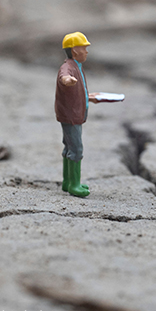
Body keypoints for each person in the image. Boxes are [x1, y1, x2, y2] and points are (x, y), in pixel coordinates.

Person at [55, 32, 98, 197]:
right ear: (74, 51)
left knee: (69, 147)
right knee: (76, 149)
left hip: (72, 114)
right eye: (84, 48)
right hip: (71, 116)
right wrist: (67, 81)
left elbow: (76, 90)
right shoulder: (68, 67)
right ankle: (74, 184)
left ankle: (67, 182)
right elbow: (63, 77)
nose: (86, 51)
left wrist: (89, 97)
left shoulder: (77, 66)